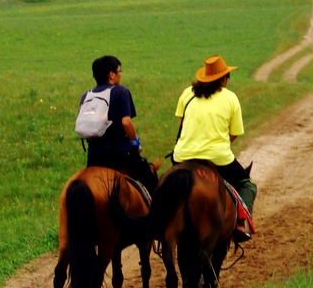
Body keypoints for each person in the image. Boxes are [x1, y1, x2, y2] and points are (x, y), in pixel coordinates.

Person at [173, 55, 256, 241]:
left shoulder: (187, 94)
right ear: (223, 79)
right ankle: (239, 224)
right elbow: (234, 133)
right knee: (247, 185)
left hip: (183, 156)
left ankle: (159, 222)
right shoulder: (230, 98)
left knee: (166, 186)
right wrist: (216, 144)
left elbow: (182, 124)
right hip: (217, 158)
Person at [81, 55, 157, 191]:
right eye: (119, 71)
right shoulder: (121, 91)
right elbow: (126, 122)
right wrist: (135, 143)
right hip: (119, 155)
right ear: (111, 74)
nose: (120, 74)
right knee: (150, 178)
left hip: (94, 157)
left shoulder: (86, 96)